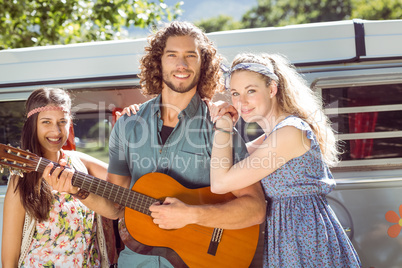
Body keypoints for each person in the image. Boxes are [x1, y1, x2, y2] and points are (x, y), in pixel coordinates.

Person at [50, 21, 266, 267]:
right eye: (172, 55)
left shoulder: (218, 125)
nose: (181, 64)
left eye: (190, 56)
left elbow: (255, 208)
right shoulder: (128, 125)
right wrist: (77, 189)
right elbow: (115, 206)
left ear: (202, 63)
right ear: (158, 61)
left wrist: (192, 214)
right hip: (138, 260)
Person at [209, 53, 361, 267]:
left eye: (250, 91)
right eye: (235, 93)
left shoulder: (289, 132)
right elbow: (230, 164)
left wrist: (223, 125)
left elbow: (220, 182)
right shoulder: (274, 136)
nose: (241, 102)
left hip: (306, 238)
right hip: (287, 237)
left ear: (272, 89)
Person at [1, 88, 110, 267]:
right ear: (33, 125)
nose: (56, 130)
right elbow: (9, 260)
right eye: (46, 122)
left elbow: (125, 181)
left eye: (62, 121)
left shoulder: (80, 162)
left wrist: (131, 117)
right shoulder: (20, 181)